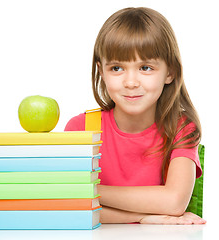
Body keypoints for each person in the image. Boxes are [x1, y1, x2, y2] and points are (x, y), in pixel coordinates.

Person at [65, 7, 206, 225]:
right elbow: (70, 205)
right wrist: (144, 217)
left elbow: (174, 202)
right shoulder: (81, 128)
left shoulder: (181, 128)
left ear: (170, 72)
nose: (131, 82)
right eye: (117, 68)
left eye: (146, 67)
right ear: (101, 71)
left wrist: (91, 189)